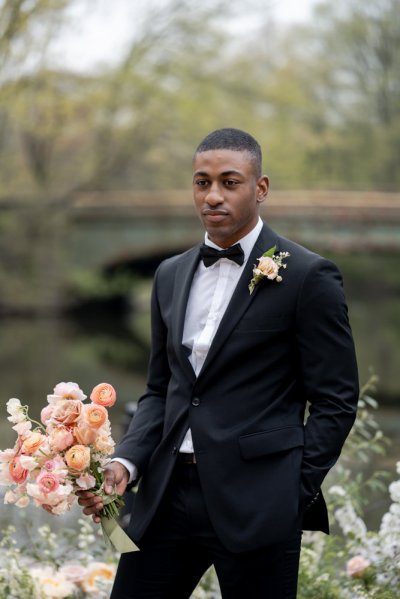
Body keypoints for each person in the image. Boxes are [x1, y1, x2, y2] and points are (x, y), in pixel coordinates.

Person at [77, 128, 359, 598]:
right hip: (165, 496)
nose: (213, 196)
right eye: (201, 182)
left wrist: (292, 488)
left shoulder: (309, 276)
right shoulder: (169, 275)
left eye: (229, 182)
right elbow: (160, 388)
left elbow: (336, 399)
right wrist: (128, 459)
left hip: (259, 503)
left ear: (260, 188)